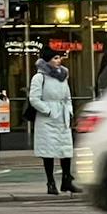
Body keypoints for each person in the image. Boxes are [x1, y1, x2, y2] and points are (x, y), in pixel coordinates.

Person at [33, 45, 76, 195]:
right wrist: (48, 111)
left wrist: (69, 111)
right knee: (48, 151)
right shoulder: (39, 77)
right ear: (47, 61)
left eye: (59, 58)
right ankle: (50, 182)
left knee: (66, 150)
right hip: (48, 119)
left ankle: (67, 180)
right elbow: (34, 98)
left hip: (62, 117)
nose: (59, 61)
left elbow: (67, 97)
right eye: (55, 58)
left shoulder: (63, 76)